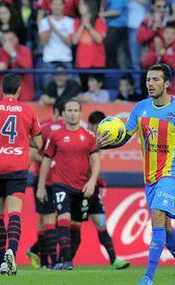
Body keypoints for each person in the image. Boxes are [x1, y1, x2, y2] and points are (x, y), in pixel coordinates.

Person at [98, 63, 175, 285]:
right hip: (150, 177)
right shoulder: (140, 108)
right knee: (165, 227)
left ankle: (148, 277)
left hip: (172, 174)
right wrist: (106, 145)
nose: (150, 84)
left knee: (158, 216)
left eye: (156, 80)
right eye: (148, 80)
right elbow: (124, 137)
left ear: (167, 83)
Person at [0, 73, 42, 275]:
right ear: (19, 90)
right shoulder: (28, 111)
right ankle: (11, 251)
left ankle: (0, 263)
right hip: (17, 166)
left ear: (1, 89)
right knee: (14, 213)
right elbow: (38, 143)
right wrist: (22, 143)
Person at [37, 99, 100, 270]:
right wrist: (41, 186)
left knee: (76, 227)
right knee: (63, 218)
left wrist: (92, 182)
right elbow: (45, 160)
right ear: (63, 114)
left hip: (82, 187)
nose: (72, 114)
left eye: (75, 110)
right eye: (69, 111)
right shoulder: (55, 135)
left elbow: (95, 160)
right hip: (61, 185)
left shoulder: (89, 136)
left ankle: (63, 260)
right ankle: (67, 261)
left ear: (80, 114)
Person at [67, 110, 129, 270]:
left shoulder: (97, 141)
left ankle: (114, 259)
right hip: (78, 188)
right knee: (75, 227)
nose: (102, 132)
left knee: (101, 224)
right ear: (91, 125)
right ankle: (65, 262)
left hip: (92, 187)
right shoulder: (82, 138)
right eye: (99, 127)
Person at [26, 101, 63, 269]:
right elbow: (33, 153)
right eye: (63, 113)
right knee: (47, 221)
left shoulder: (70, 129)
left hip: (60, 182)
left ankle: (41, 258)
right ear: (56, 111)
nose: (67, 117)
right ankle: (51, 262)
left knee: (48, 221)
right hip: (43, 180)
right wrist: (51, 162)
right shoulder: (45, 127)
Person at [0, 30, 35, 101]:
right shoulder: (0, 51)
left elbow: (27, 65)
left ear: (17, 39)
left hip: (24, 95)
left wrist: (13, 53)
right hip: (5, 97)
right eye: (4, 40)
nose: (7, 43)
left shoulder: (24, 50)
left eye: (10, 40)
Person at [141, 24, 175, 98]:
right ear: (163, 34)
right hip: (155, 90)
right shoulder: (157, 45)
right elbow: (145, 63)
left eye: (172, 34)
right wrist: (156, 53)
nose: (169, 36)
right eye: (167, 33)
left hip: (172, 91)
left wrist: (162, 53)